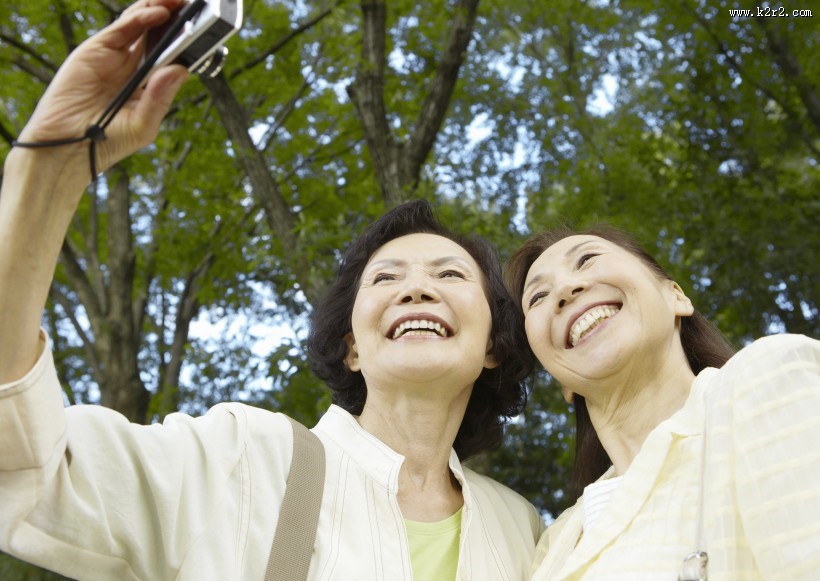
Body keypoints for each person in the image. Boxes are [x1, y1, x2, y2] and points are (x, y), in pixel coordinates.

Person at [0, 2, 544, 578]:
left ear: (494, 344)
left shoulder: (521, 530)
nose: (415, 289)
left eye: (449, 274)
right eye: (385, 278)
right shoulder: (241, 462)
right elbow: (28, 465)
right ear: (352, 348)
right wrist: (50, 168)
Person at [503, 224, 820, 580]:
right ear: (560, 380)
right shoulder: (552, 547)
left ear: (676, 297)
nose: (564, 289)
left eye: (587, 259)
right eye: (538, 297)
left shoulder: (766, 381)